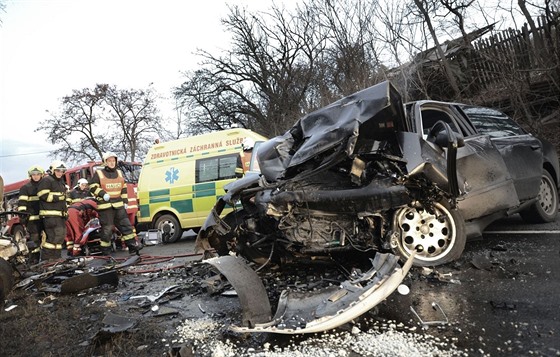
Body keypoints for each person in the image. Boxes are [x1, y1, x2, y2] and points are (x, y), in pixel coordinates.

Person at [89, 151, 142, 255]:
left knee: (126, 227)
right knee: (107, 230)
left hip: (118, 205)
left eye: (113, 160)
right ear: (105, 162)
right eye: (109, 161)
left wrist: (125, 201)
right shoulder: (99, 173)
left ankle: (132, 247)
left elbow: (124, 187)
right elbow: (92, 187)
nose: (112, 163)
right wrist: (102, 193)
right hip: (105, 207)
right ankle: (106, 253)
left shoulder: (119, 172)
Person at [37, 161, 68, 261]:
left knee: (60, 237)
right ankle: (46, 260)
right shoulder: (47, 180)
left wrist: (65, 212)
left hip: (59, 215)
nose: (60, 173)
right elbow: (42, 195)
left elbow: (63, 200)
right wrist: (59, 197)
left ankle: (56, 258)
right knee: (53, 237)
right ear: (53, 170)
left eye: (62, 171)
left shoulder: (60, 181)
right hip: (50, 215)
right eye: (58, 170)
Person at [17, 165, 46, 264]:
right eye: (34, 174)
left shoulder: (45, 186)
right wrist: (23, 217)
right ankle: (34, 260)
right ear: (30, 176)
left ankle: (48, 260)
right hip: (33, 220)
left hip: (46, 218)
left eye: (38, 174)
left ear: (42, 175)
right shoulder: (25, 188)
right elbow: (22, 204)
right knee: (35, 240)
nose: (36, 176)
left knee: (50, 239)